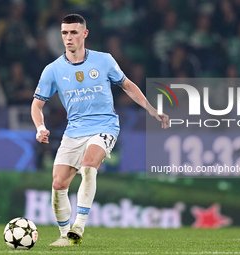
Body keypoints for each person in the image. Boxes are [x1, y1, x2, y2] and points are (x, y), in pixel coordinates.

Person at [30, 14, 169, 247]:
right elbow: (37, 104)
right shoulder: (53, 70)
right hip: (74, 129)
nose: (68, 37)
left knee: (88, 165)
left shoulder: (104, 61)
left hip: (105, 125)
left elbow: (127, 85)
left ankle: (79, 225)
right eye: (64, 33)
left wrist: (151, 109)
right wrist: (40, 127)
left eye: (74, 32)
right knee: (58, 184)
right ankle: (65, 236)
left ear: (85, 34)